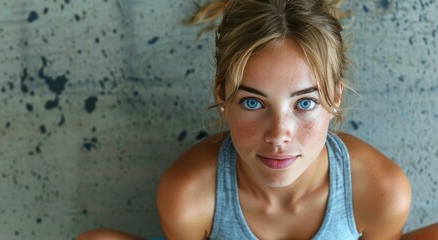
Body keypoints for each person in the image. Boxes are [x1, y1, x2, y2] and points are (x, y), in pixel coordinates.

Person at [78, 0, 437, 239]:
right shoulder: (189, 195)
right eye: (253, 102)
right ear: (222, 95)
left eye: (305, 103)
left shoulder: (381, 192)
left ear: (335, 97)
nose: (279, 134)